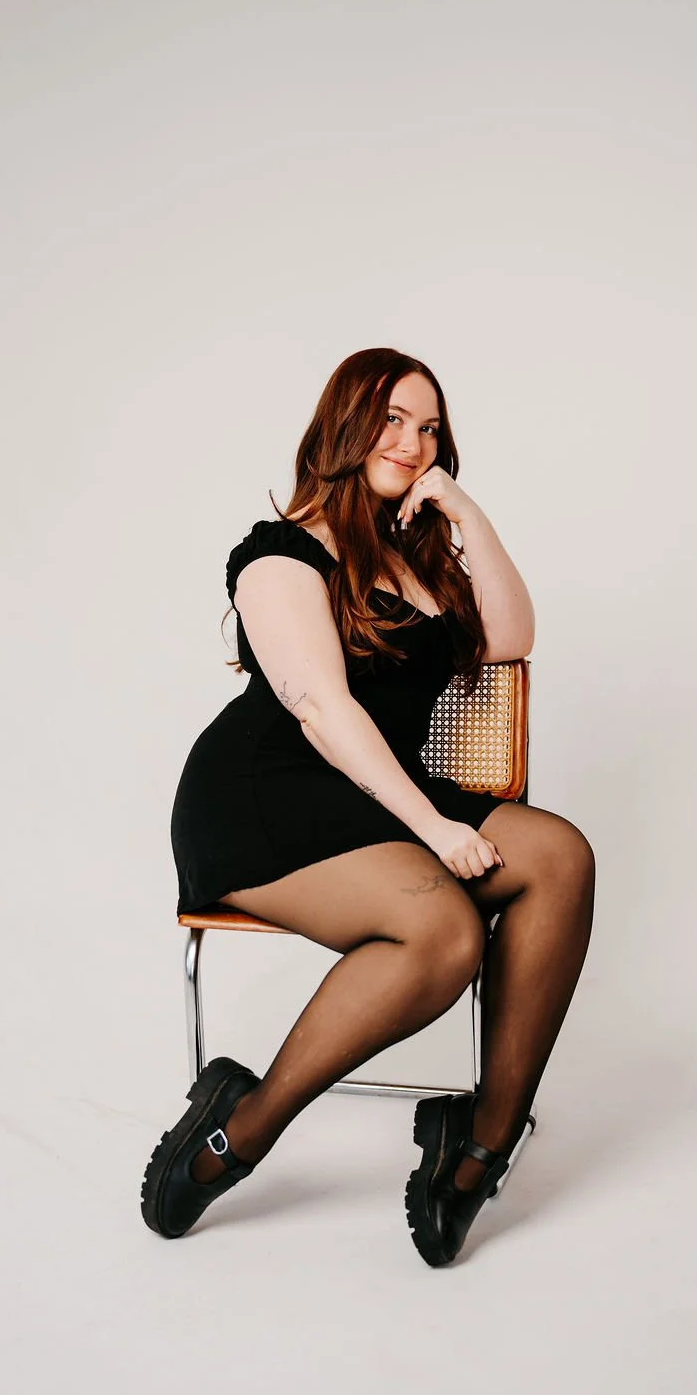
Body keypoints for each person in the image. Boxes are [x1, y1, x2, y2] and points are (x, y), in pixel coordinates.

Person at [141, 347, 595, 1266]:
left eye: (429, 428)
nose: (413, 440)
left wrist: (466, 510)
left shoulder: (412, 551)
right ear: (346, 422)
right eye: (393, 418)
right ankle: (243, 1126)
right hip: (267, 798)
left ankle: (478, 1148)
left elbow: (514, 637)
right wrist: (435, 828)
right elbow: (320, 707)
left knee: (561, 857)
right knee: (445, 936)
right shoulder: (281, 551)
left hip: (379, 790)